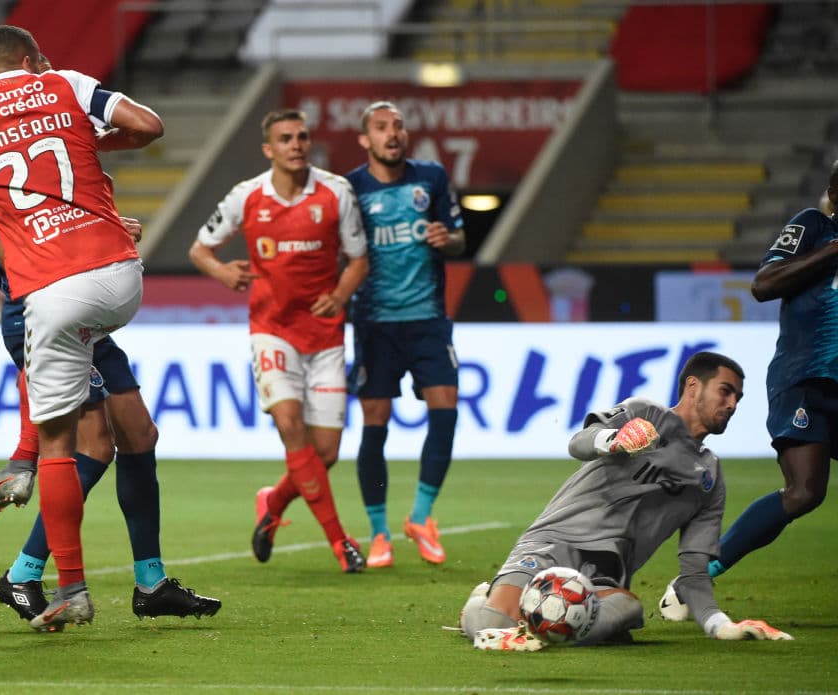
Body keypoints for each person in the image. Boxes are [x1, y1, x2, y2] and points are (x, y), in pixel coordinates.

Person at [0, 25, 218, 631]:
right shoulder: (62, 88)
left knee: (123, 437)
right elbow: (147, 126)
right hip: (106, 281)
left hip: (53, 290)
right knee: (113, 439)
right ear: (28, 60)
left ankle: (122, 575)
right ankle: (41, 569)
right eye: (41, 57)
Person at [458, 351, 793, 651]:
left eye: (738, 397)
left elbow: (693, 574)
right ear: (693, 387)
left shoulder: (709, 477)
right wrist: (614, 439)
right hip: (553, 541)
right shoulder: (647, 414)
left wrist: (721, 625)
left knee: (629, 609)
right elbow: (579, 443)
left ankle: (539, 628)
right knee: (492, 624)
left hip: (605, 569)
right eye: (725, 391)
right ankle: (479, 606)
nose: (732, 404)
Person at [189, 108, 370, 573]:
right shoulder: (246, 196)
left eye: (302, 137)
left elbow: (357, 259)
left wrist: (340, 293)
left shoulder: (336, 192)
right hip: (272, 332)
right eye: (286, 138)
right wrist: (222, 270)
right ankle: (340, 542)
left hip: (326, 338)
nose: (296, 145)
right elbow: (200, 249)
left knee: (325, 453)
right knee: (291, 426)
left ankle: (273, 503)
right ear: (269, 149)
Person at [659, 166, 838, 618]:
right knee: (804, 492)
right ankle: (698, 576)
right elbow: (763, 284)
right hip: (806, 377)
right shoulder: (814, 227)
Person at [344, 101, 465, 568]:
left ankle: (421, 516)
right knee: (376, 424)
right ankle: (378, 534)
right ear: (365, 139)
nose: (392, 133)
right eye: (381, 127)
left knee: (446, 410)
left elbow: (458, 238)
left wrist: (445, 239)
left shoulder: (430, 178)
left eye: (398, 126)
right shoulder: (350, 188)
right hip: (374, 323)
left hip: (428, 319)